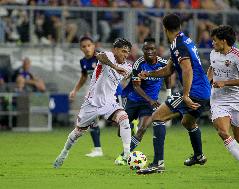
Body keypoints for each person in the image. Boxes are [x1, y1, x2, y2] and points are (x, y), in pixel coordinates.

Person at [137, 14, 211, 174]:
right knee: (188, 122)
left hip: (194, 91)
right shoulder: (184, 40)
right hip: (204, 91)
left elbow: (187, 69)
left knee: (157, 117)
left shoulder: (179, 45)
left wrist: (185, 94)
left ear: (164, 28)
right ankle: (199, 156)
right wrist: (148, 74)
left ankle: (158, 163)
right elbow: (168, 70)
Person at [53, 38, 133, 168]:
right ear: (116, 50)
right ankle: (64, 153)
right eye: (123, 51)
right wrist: (115, 67)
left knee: (124, 119)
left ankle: (127, 154)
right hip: (91, 102)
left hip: (109, 102)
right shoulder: (108, 55)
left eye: (127, 52)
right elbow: (99, 56)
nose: (125, 54)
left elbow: (130, 74)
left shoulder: (128, 66)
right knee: (77, 133)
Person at [114, 37, 171, 165]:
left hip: (149, 104)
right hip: (134, 100)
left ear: (157, 50)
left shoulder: (163, 63)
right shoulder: (138, 64)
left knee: (143, 128)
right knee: (120, 132)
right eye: (146, 49)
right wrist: (150, 99)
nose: (150, 51)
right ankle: (132, 125)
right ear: (143, 50)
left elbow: (167, 75)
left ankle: (124, 156)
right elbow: (136, 86)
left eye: (152, 49)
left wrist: (168, 93)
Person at [207, 25, 239, 174]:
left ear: (223, 41)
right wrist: (207, 80)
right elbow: (212, 68)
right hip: (218, 99)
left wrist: (224, 83)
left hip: (236, 100)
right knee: (222, 131)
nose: (212, 43)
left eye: (215, 41)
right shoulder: (213, 54)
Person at [69, 36, 105, 157]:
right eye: (84, 46)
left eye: (89, 45)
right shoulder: (83, 62)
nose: (87, 48)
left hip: (112, 93)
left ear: (94, 45)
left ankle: (132, 129)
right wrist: (75, 90)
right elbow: (84, 77)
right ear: (81, 48)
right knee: (92, 119)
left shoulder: (101, 57)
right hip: (96, 95)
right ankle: (98, 149)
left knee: (122, 121)